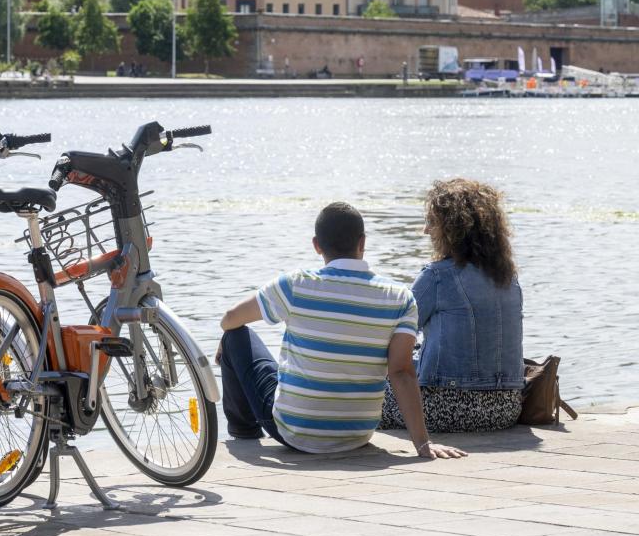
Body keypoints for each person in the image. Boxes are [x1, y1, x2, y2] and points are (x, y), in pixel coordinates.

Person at [216, 202, 466, 459]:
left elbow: (229, 318)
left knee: (235, 335)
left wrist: (227, 339)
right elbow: (401, 372)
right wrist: (423, 444)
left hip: (295, 432)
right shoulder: (400, 298)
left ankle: (244, 431)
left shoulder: (296, 284)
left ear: (316, 245)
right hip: (357, 434)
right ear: (363, 242)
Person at [379, 179, 524, 433]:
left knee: (361, 394)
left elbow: (390, 335)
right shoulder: (508, 278)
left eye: (432, 222)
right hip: (507, 409)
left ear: (455, 229)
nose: (425, 230)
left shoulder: (437, 276)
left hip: (446, 408)